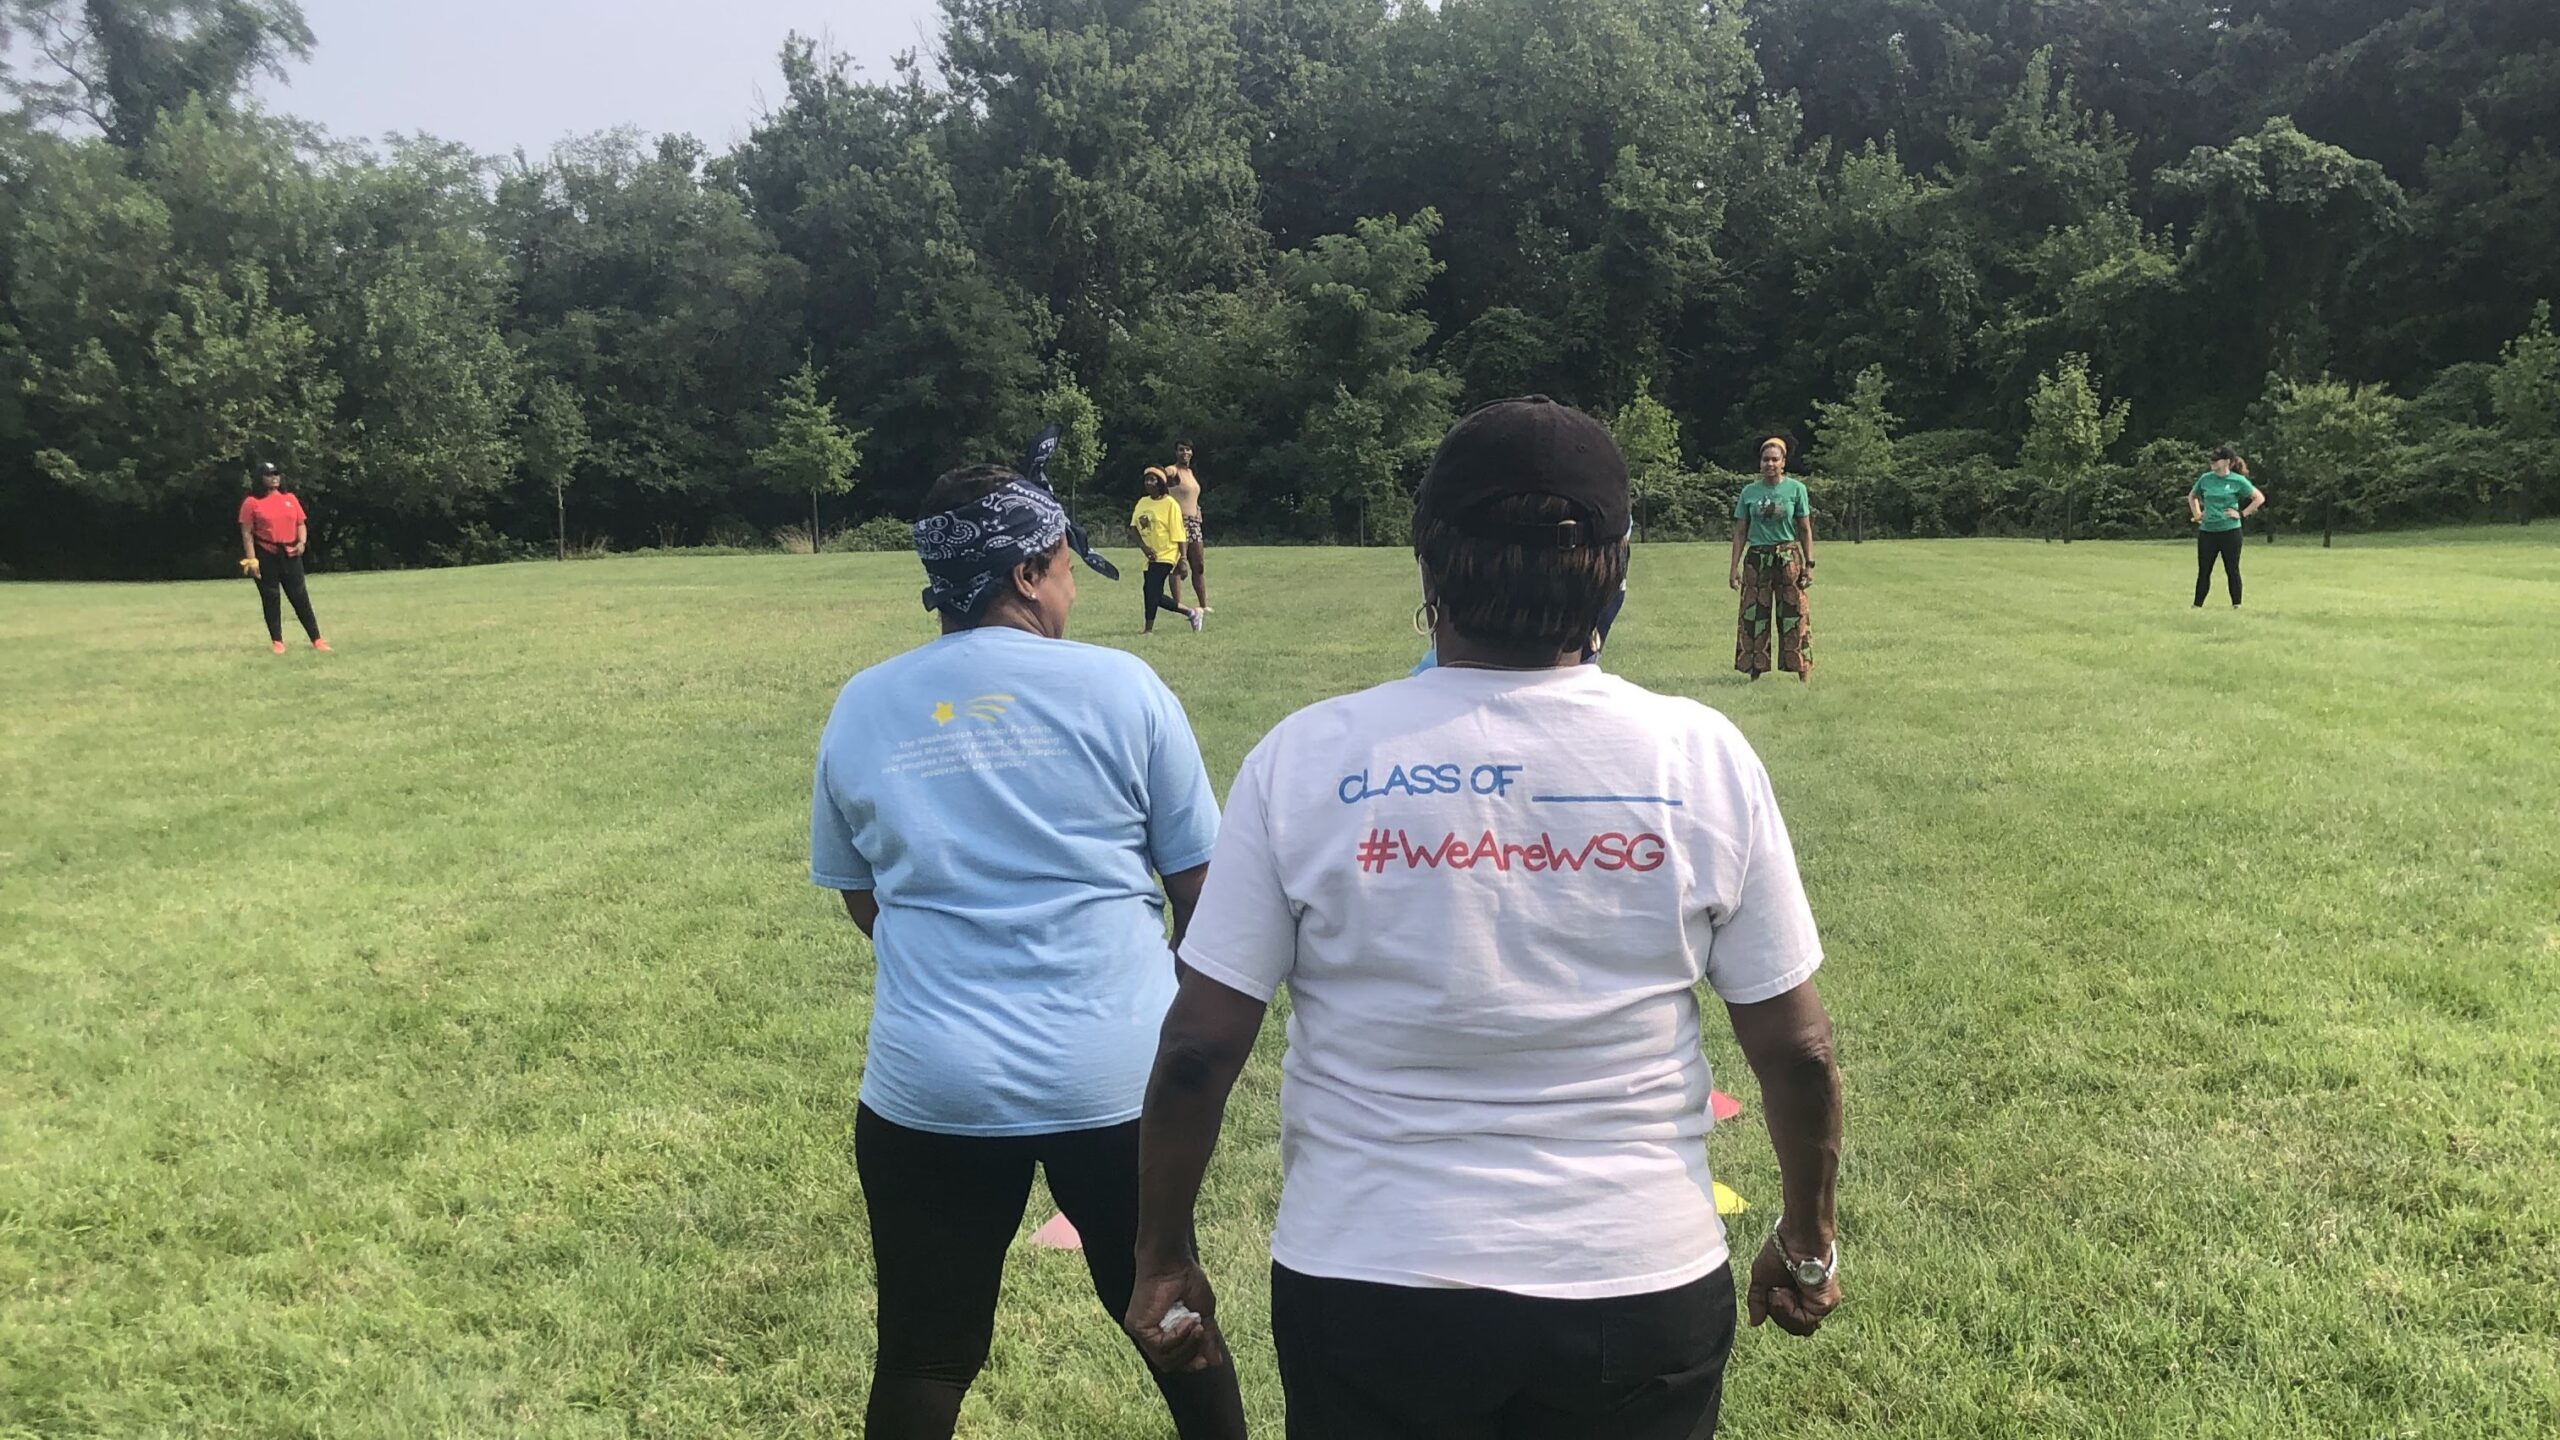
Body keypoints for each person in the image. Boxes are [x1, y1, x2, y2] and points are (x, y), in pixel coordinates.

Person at [1124, 397, 1847, 1439]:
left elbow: (1198, 1048)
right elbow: (1801, 1052)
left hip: (1367, 1282)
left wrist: (1159, 1253)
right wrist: (1808, 1234)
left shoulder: (1308, 756)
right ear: (1614, 570)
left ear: (1429, 565)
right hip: (1633, 1283)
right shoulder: (1697, 757)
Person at [810, 462, 1245, 1440]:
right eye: (1065, 565)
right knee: (1173, 1314)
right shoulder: (1123, 687)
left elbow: (862, 899)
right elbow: (1203, 899)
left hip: (932, 1087)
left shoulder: (864, 704)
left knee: (923, 1353)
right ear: (1025, 574)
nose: (1074, 585)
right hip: (1117, 1079)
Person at [1728, 438, 1812, 681]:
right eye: (1766, 459)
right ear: (1760, 462)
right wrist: (1733, 568)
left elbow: (1805, 529)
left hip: (1788, 557)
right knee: (1753, 615)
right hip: (1757, 558)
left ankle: (1802, 670)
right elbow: (1741, 531)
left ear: (1784, 462)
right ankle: (1754, 670)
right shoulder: (1749, 493)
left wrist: (1809, 564)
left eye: (1775, 459)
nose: (1770, 464)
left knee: (1794, 614)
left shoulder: (1797, 490)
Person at [236, 461, 330, 655]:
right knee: (271, 597)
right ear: (260, 478)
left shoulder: (290, 499)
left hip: (290, 553)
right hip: (266, 553)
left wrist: (301, 542)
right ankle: (277, 642)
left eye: (276, 473)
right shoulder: (252, 502)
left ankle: (317, 639)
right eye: (269, 474)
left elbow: (300, 523)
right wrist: (252, 560)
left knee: (300, 596)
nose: (274, 477)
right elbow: (247, 533)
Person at [1130, 468, 1204, 634]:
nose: (1148, 483)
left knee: (1151, 590)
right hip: (1150, 556)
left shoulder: (1170, 504)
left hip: (1166, 554)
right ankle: (1192, 613)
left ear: (1161, 483)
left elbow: (1179, 533)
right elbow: (1133, 528)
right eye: (1146, 480)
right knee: (1152, 592)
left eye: (1152, 480)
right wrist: (1144, 548)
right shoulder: (1143, 502)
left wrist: (1183, 558)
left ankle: (1148, 630)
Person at [2190, 446, 2264, 608]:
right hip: (2208, 531)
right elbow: (2193, 495)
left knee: (2232, 569)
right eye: (2212, 459)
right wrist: (2197, 513)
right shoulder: (2205, 479)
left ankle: (2236, 604)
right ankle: (2197, 605)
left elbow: (2258, 498)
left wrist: (2242, 514)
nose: (2213, 462)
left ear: (2227, 462)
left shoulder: (2237, 480)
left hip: (2230, 531)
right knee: (2204, 570)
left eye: (2216, 460)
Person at [1167, 441, 1210, 612]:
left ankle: (1203, 605)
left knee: (1198, 565)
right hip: (1179, 521)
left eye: (1188, 449)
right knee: (1178, 564)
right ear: (1176, 452)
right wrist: (1162, 473)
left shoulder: (1190, 473)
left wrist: (1198, 510)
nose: (1185, 452)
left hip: (1194, 522)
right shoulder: (1173, 471)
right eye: (1181, 449)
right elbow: (1165, 473)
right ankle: (1179, 605)